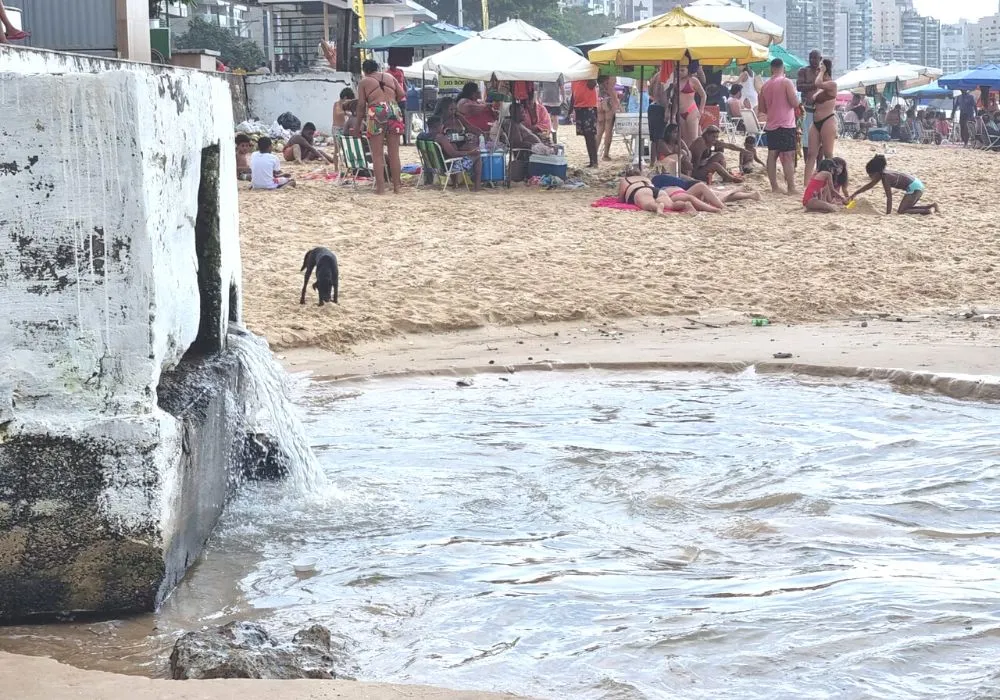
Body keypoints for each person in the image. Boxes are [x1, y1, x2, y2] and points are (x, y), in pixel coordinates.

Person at [355, 59, 405, 195]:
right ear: (377, 68)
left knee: (377, 155)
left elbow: (360, 106)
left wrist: (358, 126)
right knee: (394, 154)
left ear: (365, 71)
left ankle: (381, 189)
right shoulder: (389, 77)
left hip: (376, 110)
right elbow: (401, 94)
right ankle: (396, 188)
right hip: (394, 109)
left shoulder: (364, 82)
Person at [758, 57, 800, 194]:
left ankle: (774, 186)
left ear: (771, 69)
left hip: (772, 124)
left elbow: (762, 109)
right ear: (783, 68)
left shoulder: (765, 86)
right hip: (786, 124)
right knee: (788, 155)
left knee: (772, 155)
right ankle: (791, 188)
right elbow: (794, 103)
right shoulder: (786, 82)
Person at [849, 154, 939, 215]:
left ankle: (927, 211)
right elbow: (869, 186)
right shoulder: (883, 174)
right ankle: (931, 206)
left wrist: (888, 214)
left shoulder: (885, 178)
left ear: (876, 173)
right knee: (908, 208)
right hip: (917, 185)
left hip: (914, 188)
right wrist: (854, 194)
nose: (870, 177)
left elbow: (889, 197)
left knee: (902, 211)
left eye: (871, 175)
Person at [804, 59, 837, 188]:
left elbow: (818, 82)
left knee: (828, 154)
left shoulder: (832, 84)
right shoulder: (820, 88)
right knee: (812, 154)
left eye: (820, 67)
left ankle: (832, 183)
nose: (818, 70)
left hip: (828, 120)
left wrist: (822, 71)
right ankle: (806, 184)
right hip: (816, 121)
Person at [427, 115, 481, 192]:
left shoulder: (424, 136)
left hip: (432, 166)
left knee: (453, 151)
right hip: (446, 168)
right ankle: (477, 187)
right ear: (438, 126)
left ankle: (455, 184)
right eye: (442, 124)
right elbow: (454, 154)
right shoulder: (440, 137)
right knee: (477, 155)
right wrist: (471, 152)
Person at [618, 172, 695, 214]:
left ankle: (657, 207)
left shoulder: (625, 180)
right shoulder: (646, 178)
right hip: (656, 190)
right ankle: (685, 204)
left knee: (647, 204)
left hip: (640, 190)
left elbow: (621, 199)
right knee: (671, 205)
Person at [571, 78, 600, 167]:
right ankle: (592, 161)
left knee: (590, 135)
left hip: (588, 106)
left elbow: (592, 83)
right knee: (586, 136)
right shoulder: (574, 76)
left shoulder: (586, 72)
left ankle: (594, 161)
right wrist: (570, 109)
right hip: (579, 106)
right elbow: (573, 93)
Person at [797, 50, 822, 153]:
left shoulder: (823, 72)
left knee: (821, 140)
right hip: (807, 109)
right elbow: (799, 87)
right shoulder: (803, 71)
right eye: (811, 58)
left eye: (815, 58)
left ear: (820, 59)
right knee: (806, 139)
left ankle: (819, 165)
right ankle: (808, 165)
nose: (813, 60)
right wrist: (814, 85)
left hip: (821, 110)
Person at [677, 63, 707, 147]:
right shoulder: (676, 80)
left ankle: (695, 158)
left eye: (682, 70)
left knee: (694, 139)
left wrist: (701, 109)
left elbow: (703, 95)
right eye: (678, 70)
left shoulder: (693, 80)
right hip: (680, 112)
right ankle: (688, 158)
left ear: (688, 70)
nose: (680, 72)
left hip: (691, 111)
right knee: (685, 140)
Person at [647, 68, 671, 163]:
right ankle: (658, 161)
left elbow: (650, 92)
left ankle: (653, 162)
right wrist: (666, 110)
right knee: (660, 138)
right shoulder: (666, 75)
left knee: (654, 139)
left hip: (653, 106)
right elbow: (664, 93)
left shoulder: (656, 75)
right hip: (660, 107)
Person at [596, 75, 620, 161]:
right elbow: (610, 89)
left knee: (599, 129)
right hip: (608, 102)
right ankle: (605, 154)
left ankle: (594, 152)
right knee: (608, 130)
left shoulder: (599, 73)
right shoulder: (611, 75)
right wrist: (617, 104)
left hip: (599, 100)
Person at [332, 87, 355, 169]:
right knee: (337, 149)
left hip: (344, 128)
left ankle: (349, 165)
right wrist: (346, 113)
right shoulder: (337, 104)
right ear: (345, 98)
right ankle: (336, 168)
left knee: (347, 147)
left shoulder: (346, 105)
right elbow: (338, 113)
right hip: (337, 128)